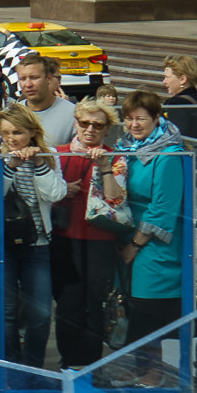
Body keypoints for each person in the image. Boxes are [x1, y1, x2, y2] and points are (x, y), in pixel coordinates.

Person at [0, 104, 66, 369]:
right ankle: (9, 368)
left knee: (41, 312)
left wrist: (38, 164)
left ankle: (34, 369)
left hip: (36, 242)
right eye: (6, 133)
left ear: (32, 133)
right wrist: (10, 166)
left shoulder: (48, 155)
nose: (11, 139)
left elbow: (56, 194)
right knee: (7, 310)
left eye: (18, 133)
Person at [111, 89, 191, 379]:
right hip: (131, 234)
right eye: (129, 119)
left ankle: (153, 372)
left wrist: (134, 245)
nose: (134, 125)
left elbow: (163, 208)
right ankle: (138, 368)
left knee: (148, 307)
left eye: (141, 119)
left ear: (157, 118)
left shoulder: (168, 154)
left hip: (154, 243)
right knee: (132, 304)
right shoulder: (129, 147)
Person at [52, 99, 127, 372]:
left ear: (107, 129)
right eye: (84, 123)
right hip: (64, 238)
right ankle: (68, 361)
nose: (90, 129)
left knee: (94, 304)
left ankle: (91, 364)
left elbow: (116, 200)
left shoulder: (115, 157)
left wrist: (105, 167)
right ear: (76, 123)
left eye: (97, 125)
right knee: (68, 303)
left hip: (100, 241)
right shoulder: (59, 154)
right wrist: (62, 190)